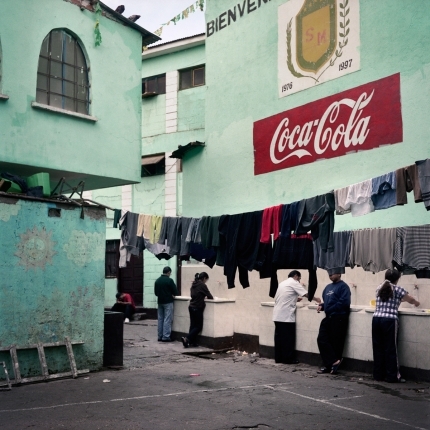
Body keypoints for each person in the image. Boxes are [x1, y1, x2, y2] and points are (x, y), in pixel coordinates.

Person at [372, 269, 420, 383]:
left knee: (378, 348)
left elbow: (389, 298)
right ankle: (392, 376)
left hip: (376, 319)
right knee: (390, 349)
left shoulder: (379, 288)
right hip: (389, 321)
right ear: (397, 279)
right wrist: (416, 303)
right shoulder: (398, 289)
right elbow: (411, 299)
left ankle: (378, 375)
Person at [273, 270, 321, 364]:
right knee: (288, 338)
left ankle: (278, 358)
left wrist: (294, 298)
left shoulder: (283, 283)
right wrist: (316, 299)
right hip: (286, 316)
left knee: (279, 338)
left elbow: (284, 297)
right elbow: (306, 294)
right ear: (296, 276)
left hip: (277, 315)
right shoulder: (293, 282)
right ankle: (288, 359)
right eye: (299, 278)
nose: (299, 281)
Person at [316, 272, 351, 374]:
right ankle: (332, 362)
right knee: (322, 339)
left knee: (336, 342)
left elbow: (344, 302)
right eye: (329, 273)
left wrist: (329, 308)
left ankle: (332, 366)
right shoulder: (327, 287)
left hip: (339, 317)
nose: (330, 275)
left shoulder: (344, 287)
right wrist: (322, 306)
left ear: (339, 274)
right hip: (329, 317)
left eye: (333, 273)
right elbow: (327, 302)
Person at [181, 272, 213, 348]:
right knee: (198, 326)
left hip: (191, 306)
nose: (206, 281)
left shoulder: (194, 284)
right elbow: (210, 296)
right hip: (197, 307)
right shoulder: (202, 285)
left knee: (193, 325)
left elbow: (193, 295)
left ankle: (192, 342)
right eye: (206, 280)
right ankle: (187, 339)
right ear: (204, 278)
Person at [154, 266, 178, 342]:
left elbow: (156, 293)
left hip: (160, 301)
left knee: (160, 319)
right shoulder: (169, 281)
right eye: (170, 273)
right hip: (168, 301)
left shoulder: (157, 280)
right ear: (168, 272)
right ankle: (166, 336)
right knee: (167, 319)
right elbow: (175, 292)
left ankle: (160, 336)